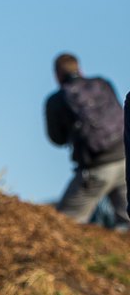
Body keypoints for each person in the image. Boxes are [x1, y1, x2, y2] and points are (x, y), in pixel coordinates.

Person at [44, 53, 128, 225]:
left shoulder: (56, 100)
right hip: (125, 160)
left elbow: (57, 138)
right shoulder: (102, 84)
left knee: (63, 223)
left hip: (96, 169)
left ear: (57, 75)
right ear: (80, 69)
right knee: (127, 221)